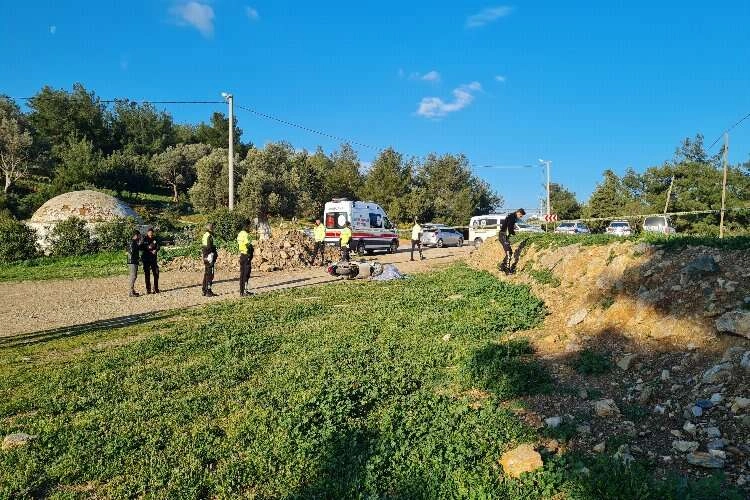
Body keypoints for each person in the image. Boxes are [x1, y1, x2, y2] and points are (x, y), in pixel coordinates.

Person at [498, 208, 526, 274]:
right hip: (503, 236)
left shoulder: (512, 216)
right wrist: (513, 234)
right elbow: (510, 227)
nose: (521, 217)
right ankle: (507, 269)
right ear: (518, 213)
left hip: (504, 235)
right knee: (508, 253)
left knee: (510, 252)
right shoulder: (512, 217)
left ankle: (502, 266)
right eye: (521, 216)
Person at [141, 227, 160, 294]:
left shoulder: (155, 239)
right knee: (147, 274)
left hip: (153, 259)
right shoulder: (144, 239)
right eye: (150, 234)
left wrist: (156, 250)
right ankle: (148, 289)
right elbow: (141, 247)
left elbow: (158, 246)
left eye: (152, 234)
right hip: (146, 259)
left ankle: (155, 288)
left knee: (156, 273)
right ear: (147, 233)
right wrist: (148, 249)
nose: (151, 235)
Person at [237, 221, 254, 296]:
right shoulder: (246, 234)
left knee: (242, 273)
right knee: (246, 274)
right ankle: (244, 291)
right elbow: (248, 245)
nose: (250, 228)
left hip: (242, 255)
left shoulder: (240, 234)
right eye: (249, 226)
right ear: (246, 226)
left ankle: (242, 291)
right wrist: (251, 250)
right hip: (246, 255)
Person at [201, 222, 219, 297]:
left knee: (206, 273)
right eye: (214, 227)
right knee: (210, 274)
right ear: (211, 228)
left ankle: (204, 290)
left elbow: (204, 247)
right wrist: (213, 254)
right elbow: (209, 247)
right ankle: (208, 291)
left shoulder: (205, 235)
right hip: (209, 257)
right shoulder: (210, 236)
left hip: (205, 256)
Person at [127, 230, 141, 297]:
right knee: (133, 276)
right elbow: (132, 252)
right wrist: (137, 258)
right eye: (139, 235)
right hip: (132, 261)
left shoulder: (133, 242)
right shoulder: (132, 242)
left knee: (134, 276)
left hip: (133, 261)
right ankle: (131, 292)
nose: (140, 236)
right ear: (136, 235)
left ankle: (132, 291)